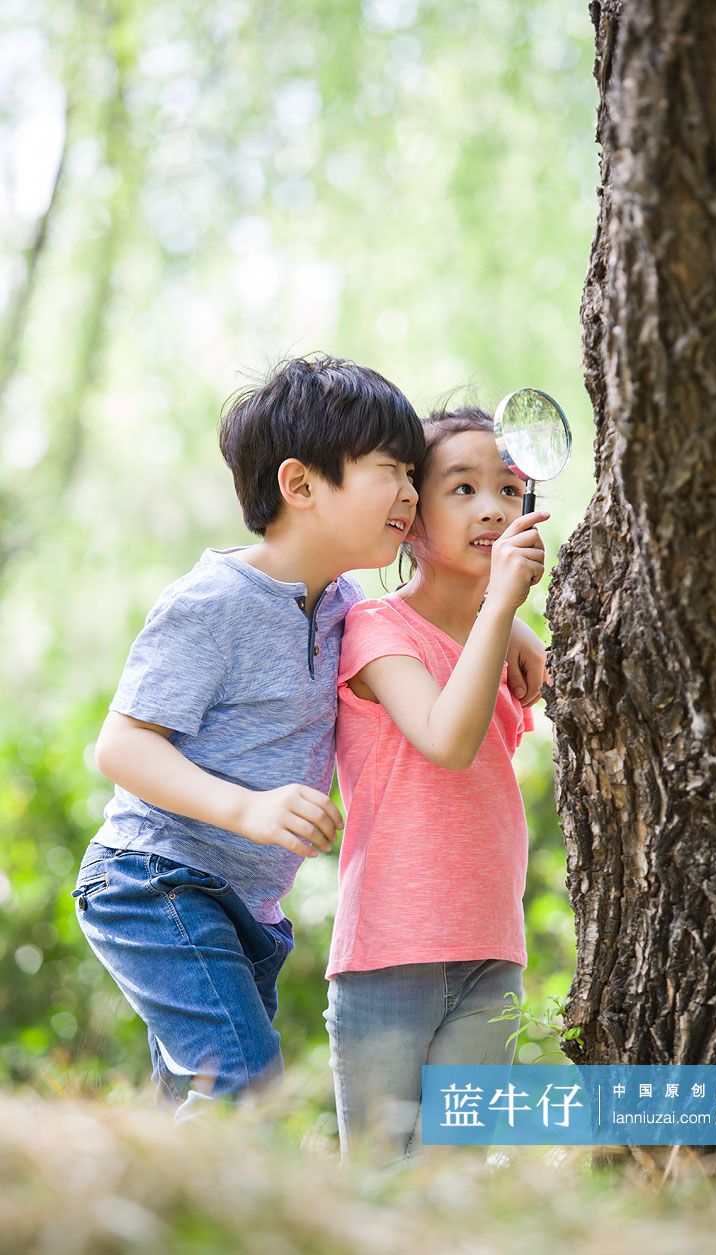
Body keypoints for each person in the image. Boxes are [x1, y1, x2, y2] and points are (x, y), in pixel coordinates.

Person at [73, 358, 545, 1115]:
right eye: (391, 472)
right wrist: (247, 809)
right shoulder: (214, 599)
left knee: (197, 1093)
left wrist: (507, 616)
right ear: (300, 485)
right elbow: (121, 748)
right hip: (154, 879)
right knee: (240, 1081)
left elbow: (423, 611)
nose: (405, 494)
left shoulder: (344, 603)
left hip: (248, 902)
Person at [324, 404, 548, 1158]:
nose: (492, 507)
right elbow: (447, 740)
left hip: (492, 950)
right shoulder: (377, 629)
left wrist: (507, 618)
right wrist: (503, 609)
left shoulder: (513, 646)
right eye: (462, 488)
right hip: (389, 954)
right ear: (411, 516)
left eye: (510, 490)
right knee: (384, 1190)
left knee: (453, 1190)